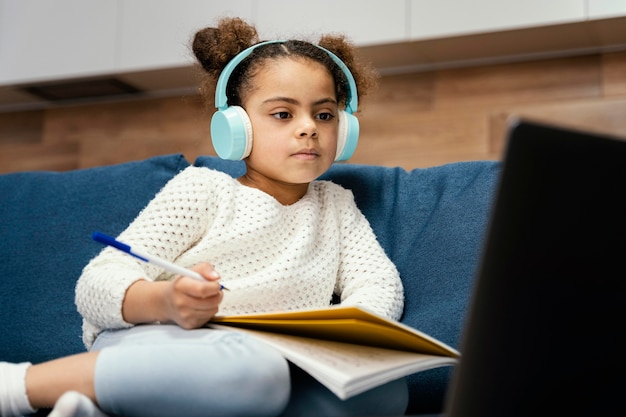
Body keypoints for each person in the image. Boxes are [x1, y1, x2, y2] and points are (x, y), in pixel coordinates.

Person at [0, 17, 406, 417]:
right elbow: (98, 282)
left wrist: (339, 338)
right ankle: (21, 386)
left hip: (274, 363)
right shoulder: (205, 190)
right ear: (236, 127)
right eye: (283, 114)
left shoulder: (335, 206)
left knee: (382, 391)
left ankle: (98, 409)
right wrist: (165, 301)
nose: (308, 129)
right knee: (250, 371)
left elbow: (378, 283)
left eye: (324, 114)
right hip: (168, 343)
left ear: (345, 127)